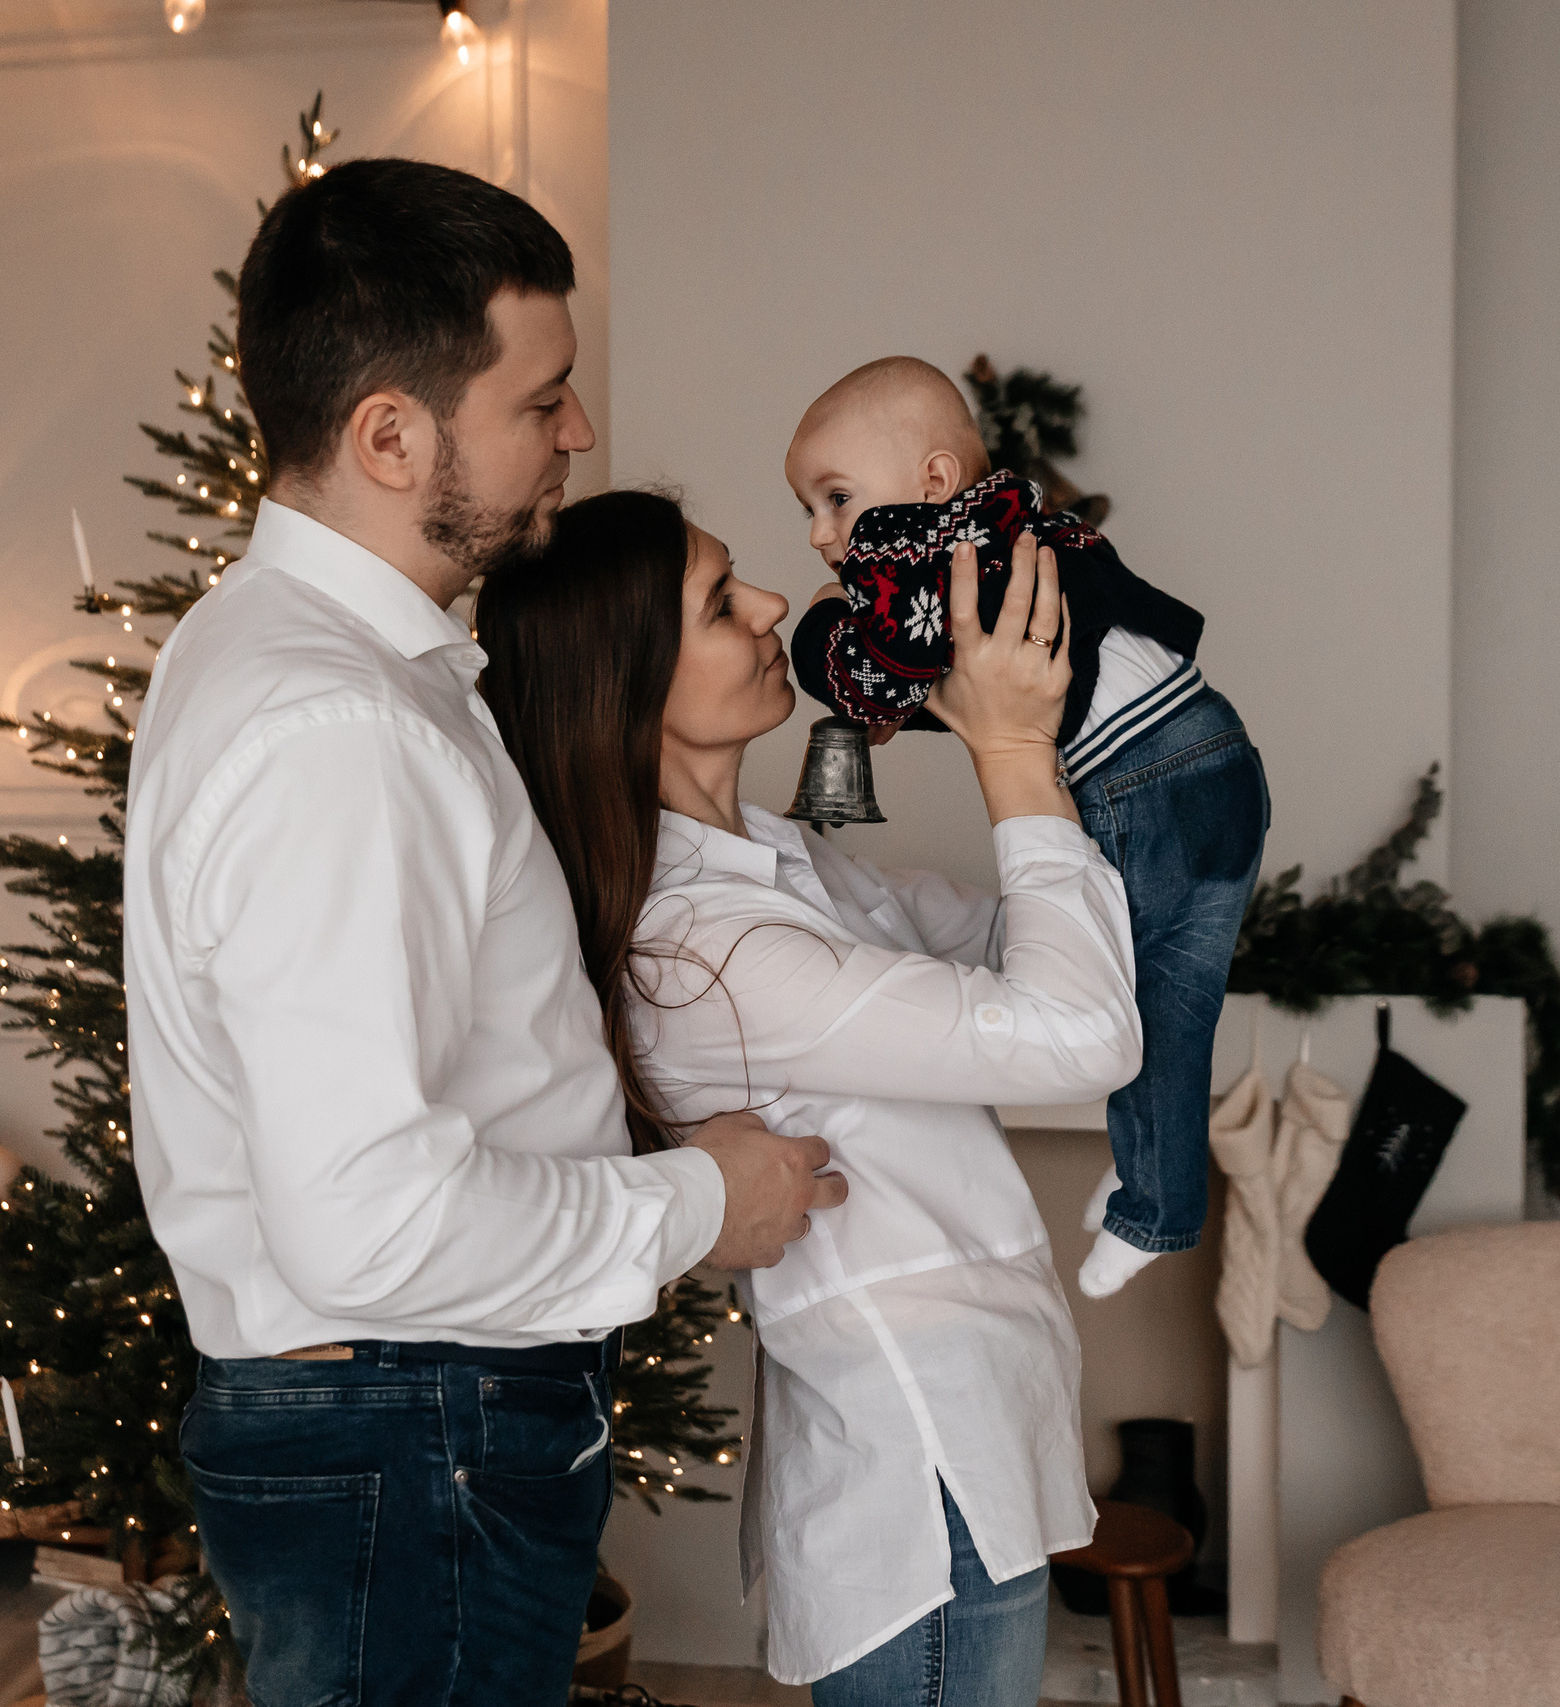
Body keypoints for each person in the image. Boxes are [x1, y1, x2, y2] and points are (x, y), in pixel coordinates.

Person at [122, 159, 845, 1707]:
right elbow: (368, 1220)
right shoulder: (332, 723)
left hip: (405, 1428)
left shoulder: (295, 664)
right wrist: (694, 1204)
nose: (578, 431)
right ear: (392, 433)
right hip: (413, 1431)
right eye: (543, 398)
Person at [475, 490, 1142, 1703]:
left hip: (969, 1425)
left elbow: (1024, 938)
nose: (775, 605)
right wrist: (1007, 754)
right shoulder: (703, 950)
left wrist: (1049, 719)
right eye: (722, 602)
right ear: (628, 680)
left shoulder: (777, 860)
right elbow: (1077, 1032)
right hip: (918, 1464)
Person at [784, 356, 1271, 1299]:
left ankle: (1158, 1209)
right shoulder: (1018, 517)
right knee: (1177, 1003)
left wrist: (820, 631)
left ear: (930, 482)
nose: (819, 533)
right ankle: (1149, 1183)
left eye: (836, 499)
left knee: (1132, 1005)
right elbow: (1000, 681)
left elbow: (876, 668)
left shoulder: (934, 548)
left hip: (1142, 780)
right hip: (1218, 753)